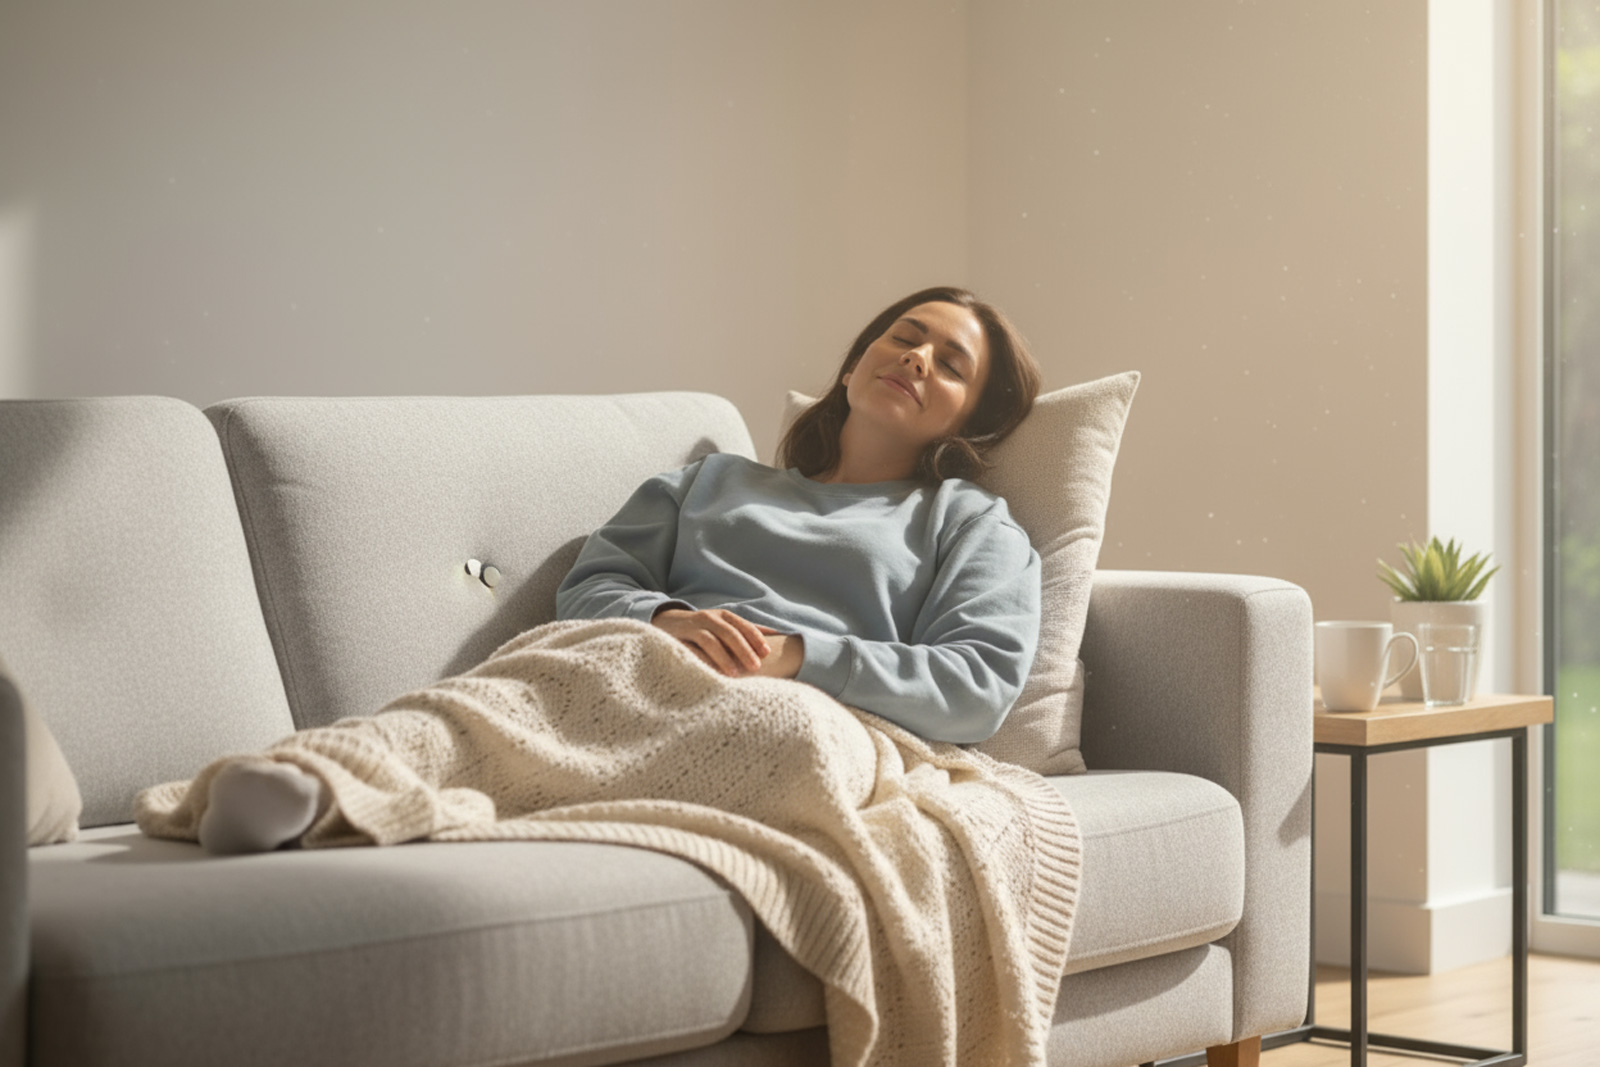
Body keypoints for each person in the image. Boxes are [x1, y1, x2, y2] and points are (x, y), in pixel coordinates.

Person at [188, 285, 1045, 854]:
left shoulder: (969, 523)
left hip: (810, 712)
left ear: (968, 419)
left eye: (951, 364)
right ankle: (314, 779)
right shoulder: (709, 481)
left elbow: (977, 685)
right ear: (856, 362)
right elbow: (591, 587)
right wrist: (667, 620)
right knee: (525, 687)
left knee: (794, 741)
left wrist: (792, 656)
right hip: (645, 670)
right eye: (905, 336)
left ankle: (431, 806)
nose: (918, 357)